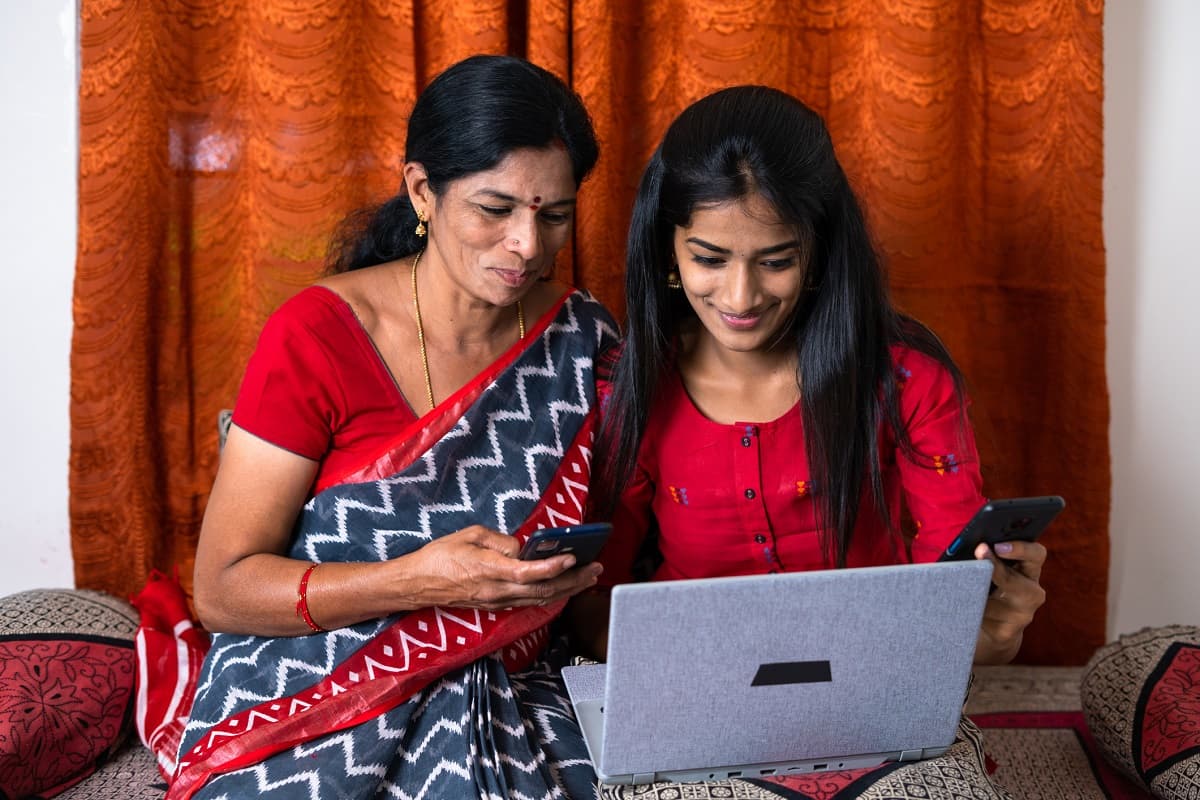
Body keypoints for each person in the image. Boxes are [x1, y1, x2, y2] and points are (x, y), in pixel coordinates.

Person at [173, 55, 617, 799]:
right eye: (494, 209)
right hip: (316, 684)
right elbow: (221, 590)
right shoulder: (318, 335)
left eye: (555, 214)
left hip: (511, 681)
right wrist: (419, 581)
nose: (527, 246)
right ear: (422, 191)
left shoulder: (582, 338)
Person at [577, 85, 1047, 669]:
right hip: (694, 683)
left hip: (876, 680)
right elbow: (594, 605)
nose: (740, 296)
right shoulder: (631, 388)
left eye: (776, 261)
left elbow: (953, 614)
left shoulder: (905, 384)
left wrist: (997, 631)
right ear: (667, 250)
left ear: (819, 250)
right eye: (709, 259)